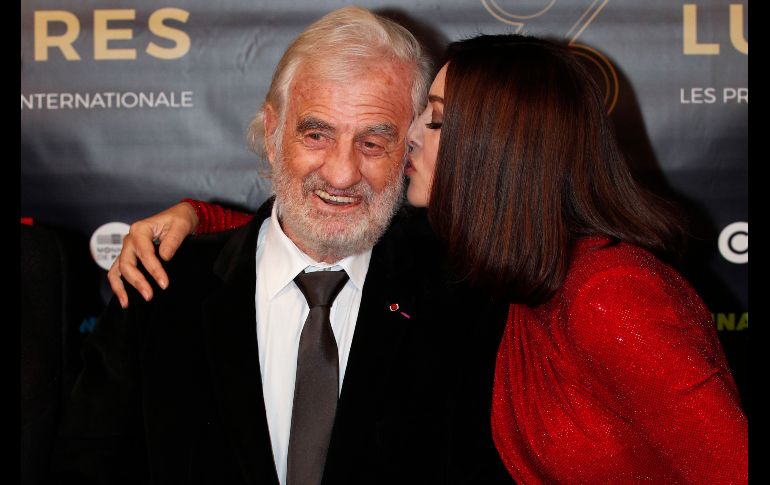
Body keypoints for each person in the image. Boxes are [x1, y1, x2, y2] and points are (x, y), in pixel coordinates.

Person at [113, 34, 748, 483]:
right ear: (274, 131)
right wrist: (201, 217)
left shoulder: (609, 294)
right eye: (316, 133)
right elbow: (311, 222)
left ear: (497, 150)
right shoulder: (512, 273)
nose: (410, 133)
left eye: (432, 122)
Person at [51, 7, 513, 485]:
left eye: (373, 144)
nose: (341, 173)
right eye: (317, 135)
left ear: (409, 152)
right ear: (272, 135)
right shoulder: (160, 287)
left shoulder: (463, 298)